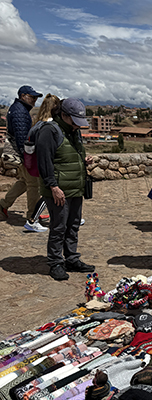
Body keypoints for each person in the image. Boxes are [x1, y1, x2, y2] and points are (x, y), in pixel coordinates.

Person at [37, 98, 95, 281]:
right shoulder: (49, 131)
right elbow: (44, 162)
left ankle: (71, 258)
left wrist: (83, 160)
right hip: (58, 189)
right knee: (59, 227)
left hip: (75, 188)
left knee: (73, 225)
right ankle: (55, 262)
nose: (78, 126)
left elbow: (69, 154)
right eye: (75, 121)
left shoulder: (73, 131)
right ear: (64, 115)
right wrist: (53, 186)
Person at [0, 85, 43, 230]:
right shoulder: (20, 112)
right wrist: (28, 158)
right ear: (23, 96)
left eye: (36, 98)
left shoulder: (18, 109)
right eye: (32, 97)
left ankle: (3, 205)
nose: (35, 100)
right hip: (24, 154)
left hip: (22, 154)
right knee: (33, 185)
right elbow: (22, 137)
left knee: (24, 182)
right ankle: (33, 216)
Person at [24, 94, 61, 230]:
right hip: (48, 164)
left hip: (35, 163)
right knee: (50, 193)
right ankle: (32, 220)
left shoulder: (37, 124)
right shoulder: (50, 125)